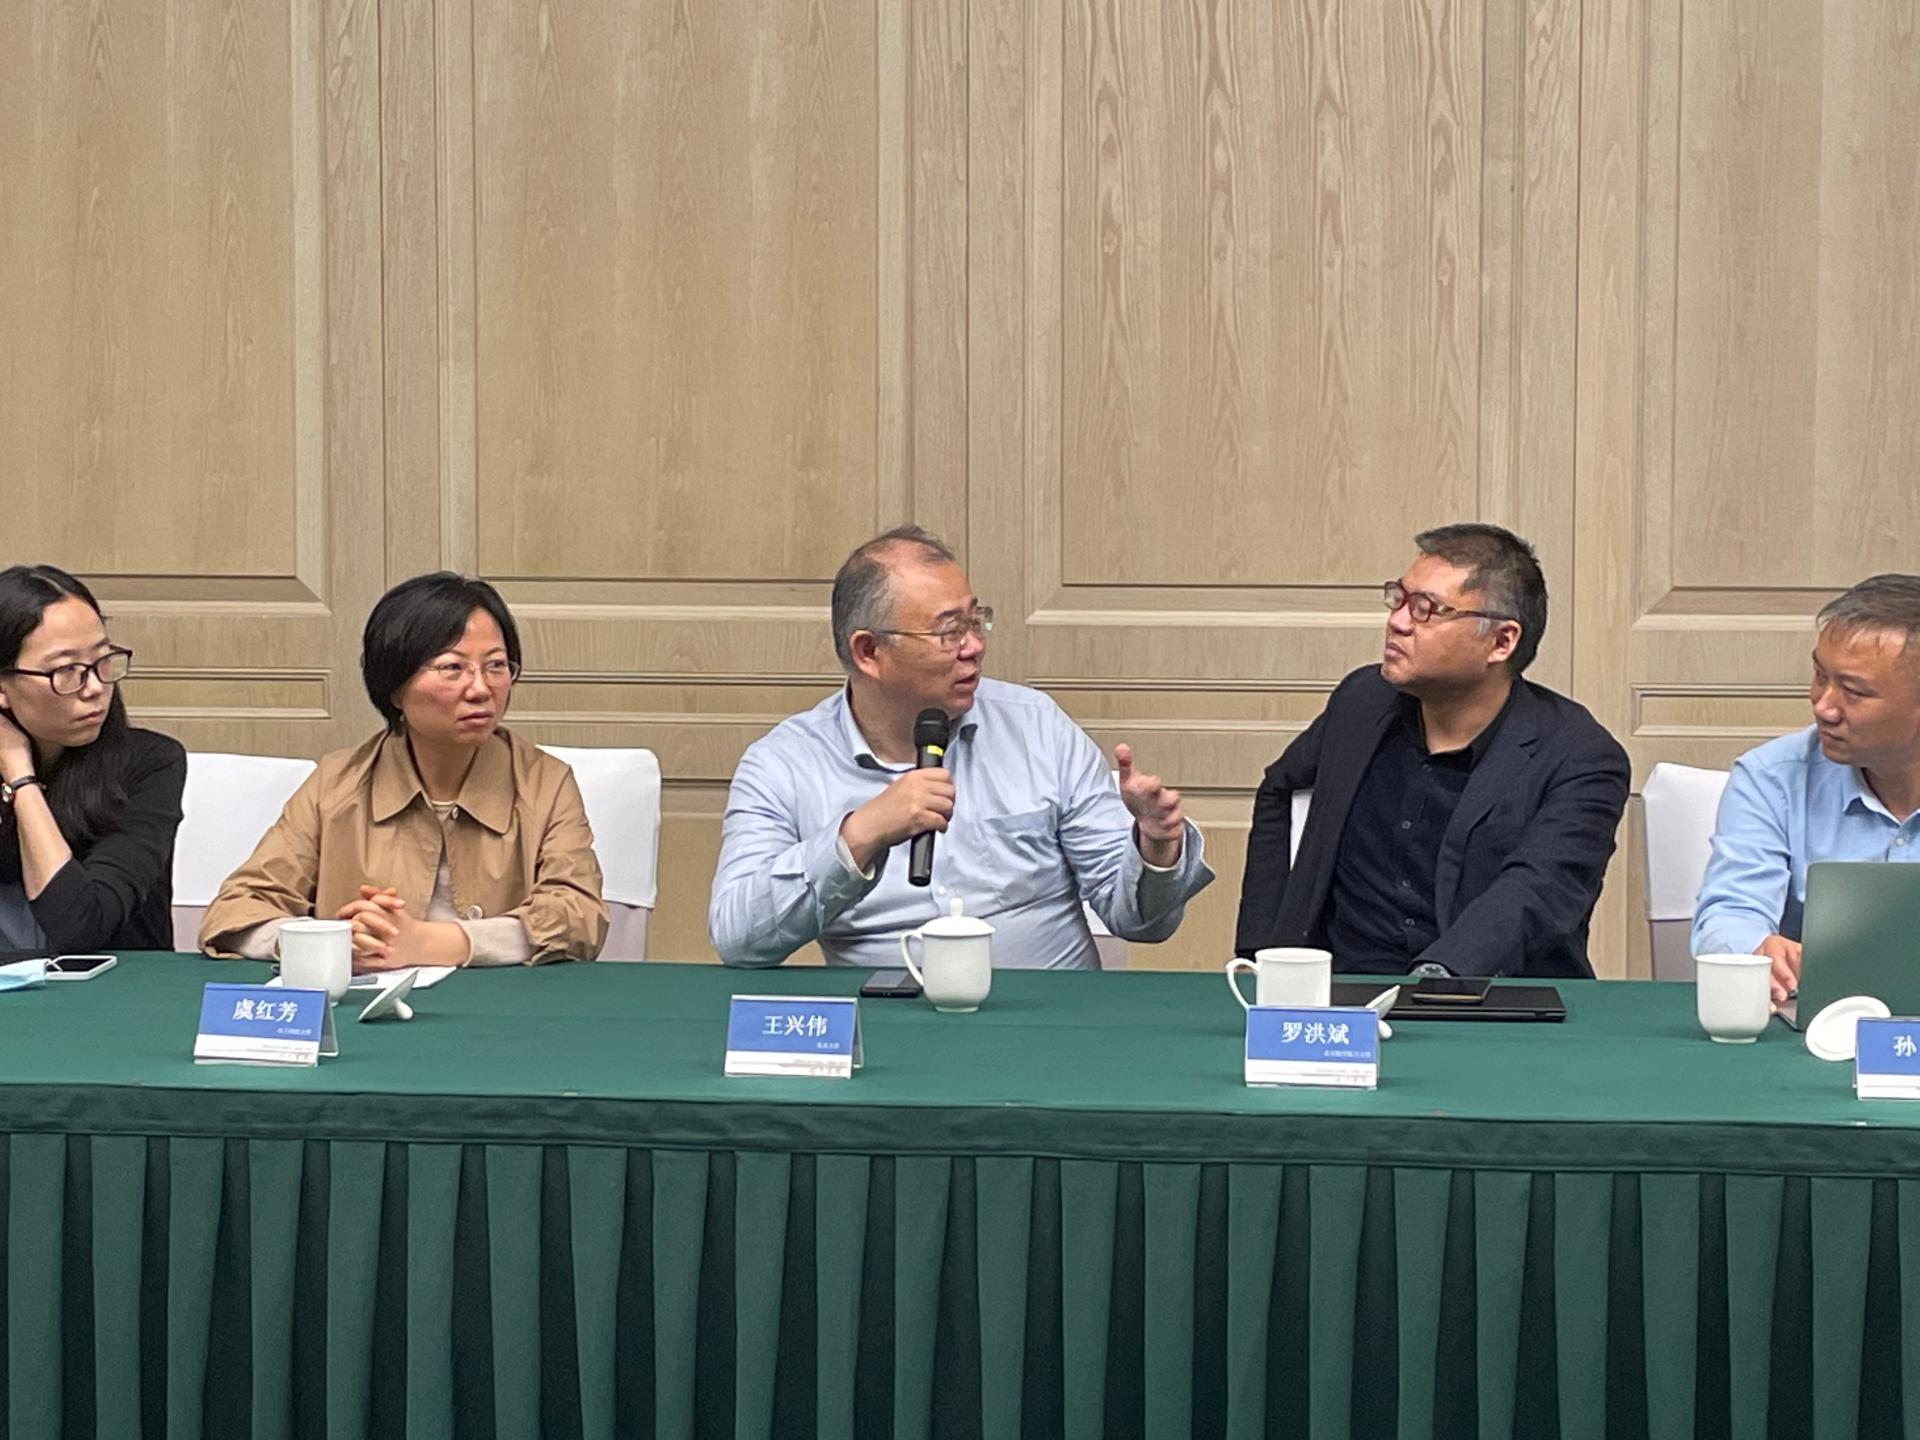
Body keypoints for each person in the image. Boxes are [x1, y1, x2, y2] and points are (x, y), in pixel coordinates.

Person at [709, 526, 1213, 968]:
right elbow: (739, 938)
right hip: (886, 1028)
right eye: (949, 631)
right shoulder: (783, 764)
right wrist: (860, 834)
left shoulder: (1037, 727)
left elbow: (1141, 921)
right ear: (869, 651)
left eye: (975, 621)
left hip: (1047, 1026)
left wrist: (1155, 849)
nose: (974, 646)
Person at [1235, 523, 1628, 978]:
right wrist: (1262, 952)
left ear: (1501, 641)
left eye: (1425, 609)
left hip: (1490, 1000)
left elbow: (1537, 888)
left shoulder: (1578, 755)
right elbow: (1279, 790)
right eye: (1398, 599)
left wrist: (1435, 980)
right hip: (1341, 994)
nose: (1398, 622)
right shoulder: (1362, 702)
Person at [200, 573, 606, 966]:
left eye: (496, 665)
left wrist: (432, 943)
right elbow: (234, 911)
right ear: (395, 687)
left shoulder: (545, 782)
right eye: (453, 667)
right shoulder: (337, 783)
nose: (481, 688)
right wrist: (332, 942)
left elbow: (579, 915)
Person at [1692, 574, 1920, 1002]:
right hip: (1816, 1022)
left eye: (1853, 691)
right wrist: (1756, 951)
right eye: (1820, 675)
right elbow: (1731, 912)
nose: (1823, 706)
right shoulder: (1773, 778)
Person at [0, 564, 185, 952]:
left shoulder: (150, 764)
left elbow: (81, 928)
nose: (96, 688)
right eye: (66, 670)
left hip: (113, 986)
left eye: (103, 659)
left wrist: (20, 778)